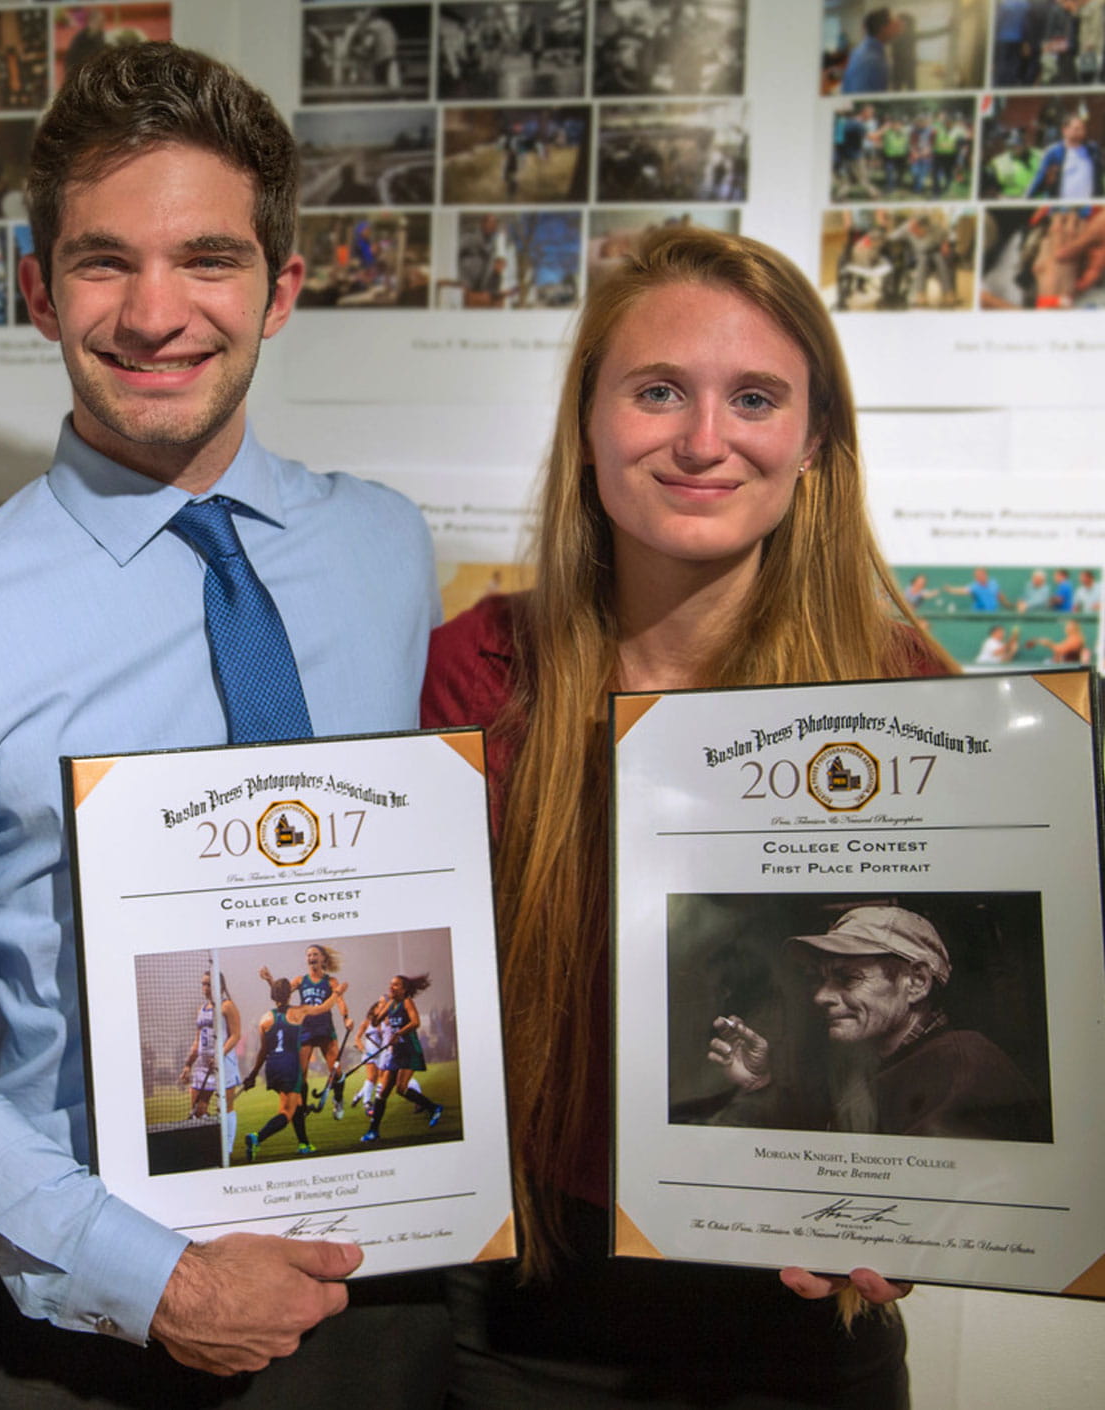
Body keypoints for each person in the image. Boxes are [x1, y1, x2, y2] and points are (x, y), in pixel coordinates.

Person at [0, 41, 443, 1408]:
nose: (156, 313)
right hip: (73, 1344)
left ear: (282, 289)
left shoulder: (386, 552)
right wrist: (153, 1275)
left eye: (208, 260)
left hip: (387, 1300)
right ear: (40, 292)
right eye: (105, 263)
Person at [422, 225, 952, 1404]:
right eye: (657, 390)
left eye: (752, 397)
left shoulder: (901, 695)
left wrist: (933, 1197)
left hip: (799, 1319)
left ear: (811, 438)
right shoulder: (475, 672)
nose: (703, 440)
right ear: (587, 423)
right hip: (521, 1322)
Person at [707, 907, 1050, 1143]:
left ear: (916, 983)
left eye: (847, 978)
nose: (820, 997)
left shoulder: (961, 1065)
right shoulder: (879, 1062)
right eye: (820, 979)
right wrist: (759, 1083)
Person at [259, 945, 350, 1118]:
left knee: (336, 1071)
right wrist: (270, 980)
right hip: (306, 1031)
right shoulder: (301, 980)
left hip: (324, 1030)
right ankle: (302, 1108)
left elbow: (339, 1002)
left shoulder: (331, 982)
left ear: (323, 958)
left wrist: (346, 1018)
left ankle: (338, 1100)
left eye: (315, 954)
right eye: (308, 955)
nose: (311, 957)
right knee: (301, 1074)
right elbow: (281, 993)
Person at [238, 980, 324, 1160]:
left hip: (272, 1067)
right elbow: (323, 1008)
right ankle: (257, 1137)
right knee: (287, 1111)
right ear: (290, 994)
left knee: (298, 1103)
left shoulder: (265, 1018)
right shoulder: (297, 1012)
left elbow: (263, 1051)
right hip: (289, 1066)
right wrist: (338, 993)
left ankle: (304, 1144)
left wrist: (253, 1075)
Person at [358, 973, 441, 1144]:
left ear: (404, 989)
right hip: (396, 1052)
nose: (391, 987)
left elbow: (416, 1022)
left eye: (396, 985)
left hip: (409, 1049)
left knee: (401, 1089)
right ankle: (373, 1131)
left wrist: (399, 1033)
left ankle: (433, 1107)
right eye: (391, 984)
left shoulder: (407, 1002)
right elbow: (375, 1023)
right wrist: (378, 1010)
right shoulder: (390, 1004)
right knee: (383, 1092)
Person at [178, 972, 243, 1153]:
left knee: (225, 1108)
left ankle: (227, 1151)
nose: (205, 988)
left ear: (219, 985)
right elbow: (197, 1041)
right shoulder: (202, 1008)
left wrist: (220, 1054)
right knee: (198, 1109)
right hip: (203, 1065)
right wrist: (187, 1064)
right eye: (203, 984)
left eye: (208, 984)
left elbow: (236, 1035)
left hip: (224, 1064)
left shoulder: (227, 1006)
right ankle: (205, 1149)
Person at [1028, 112, 1103, 199]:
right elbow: (1039, 179)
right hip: (1061, 208)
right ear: (1064, 130)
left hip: (1090, 208)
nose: (1081, 132)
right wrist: (1026, 200)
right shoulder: (1053, 152)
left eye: (1083, 129)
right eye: (1077, 129)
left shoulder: (1093, 150)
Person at [842, 8, 897, 94]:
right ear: (883, 28)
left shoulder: (861, 51)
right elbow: (861, 100)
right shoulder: (872, 60)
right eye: (893, 25)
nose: (895, 30)